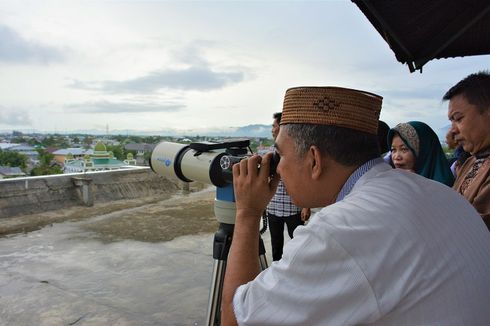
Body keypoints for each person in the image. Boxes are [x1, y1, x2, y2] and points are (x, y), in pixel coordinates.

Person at [221, 86, 490, 325]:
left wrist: (247, 212)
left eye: (279, 155)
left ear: (314, 160)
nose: (276, 167)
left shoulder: (338, 231)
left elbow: (235, 318)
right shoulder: (437, 192)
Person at [444, 71, 490, 230]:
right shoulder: (471, 161)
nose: (453, 130)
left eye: (458, 119)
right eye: (451, 121)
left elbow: (473, 228)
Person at [267, 112, 310, 261]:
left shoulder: (298, 153)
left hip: (294, 208)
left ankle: (300, 270)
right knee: (276, 246)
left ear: (282, 127)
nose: (272, 129)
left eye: (274, 126)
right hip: (273, 208)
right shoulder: (269, 154)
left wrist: (306, 206)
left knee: (299, 244)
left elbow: (305, 179)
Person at [387, 121, 454, 186]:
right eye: (393, 150)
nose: (396, 157)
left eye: (404, 149)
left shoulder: (443, 186)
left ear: (424, 150)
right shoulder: (393, 182)